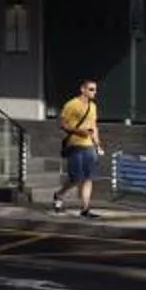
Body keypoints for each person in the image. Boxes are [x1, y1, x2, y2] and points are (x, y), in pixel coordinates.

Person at [48, 78, 103, 216]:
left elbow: (94, 126)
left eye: (95, 90)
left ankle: (85, 209)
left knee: (88, 178)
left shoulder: (93, 106)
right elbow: (63, 124)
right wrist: (79, 131)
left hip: (89, 146)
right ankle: (59, 194)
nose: (94, 92)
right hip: (75, 145)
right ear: (82, 89)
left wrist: (97, 144)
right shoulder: (72, 105)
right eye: (91, 89)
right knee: (76, 178)